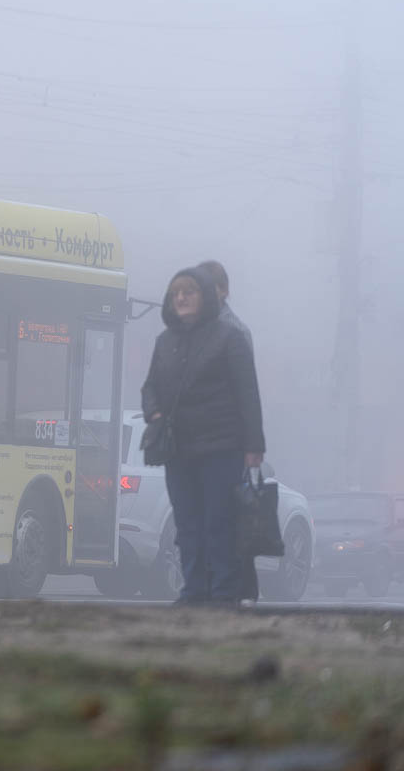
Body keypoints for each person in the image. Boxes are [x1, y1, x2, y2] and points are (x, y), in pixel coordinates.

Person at [141, 266, 265, 605]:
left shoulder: (229, 337)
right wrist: (154, 413)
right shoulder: (164, 342)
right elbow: (149, 386)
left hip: (220, 448)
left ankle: (224, 594)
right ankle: (193, 591)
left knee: (219, 522)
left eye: (189, 292)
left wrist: (254, 446)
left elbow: (247, 393)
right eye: (175, 292)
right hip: (178, 450)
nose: (180, 298)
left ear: (206, 297)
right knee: (187, 525)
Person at [198, 259, 259, 603]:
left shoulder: (233, 330)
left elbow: (244, 391)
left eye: (209, 287)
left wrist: (251, 444)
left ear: (222, 290)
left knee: (227, 518)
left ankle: (240, 594)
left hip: (224, 442)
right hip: (201, 441)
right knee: (206, 520)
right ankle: (215, 592)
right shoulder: (194, 327)